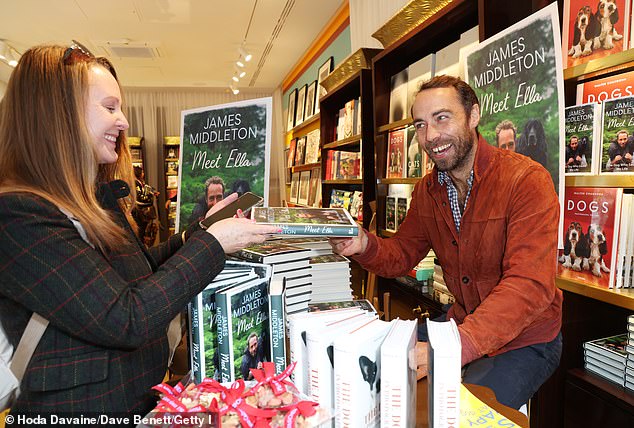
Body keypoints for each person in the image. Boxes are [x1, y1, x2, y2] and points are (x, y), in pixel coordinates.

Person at [0, 43, 279, 417]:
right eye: (109, 107)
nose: (124, 122)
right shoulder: (20, 215)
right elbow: (126, 316)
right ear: (59, 115)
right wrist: (214, 243)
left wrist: (204, 227)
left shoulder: (88, 200)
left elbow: (139, 273)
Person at [330, 75, 562, 410]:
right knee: (372, 361)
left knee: (457, 412)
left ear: (473, 116)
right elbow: (401, 255)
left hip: (527, 339)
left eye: (442, 118)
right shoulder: (428, 190)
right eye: (420, 125)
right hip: (463, 323)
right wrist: (363, 244)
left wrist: (450, 347)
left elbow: (528, 286)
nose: (430, 136)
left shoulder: (526, 180)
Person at [132, 166, 159, 245]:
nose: (143, 174)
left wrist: (152, 192)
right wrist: (150, 196)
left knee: (144, 231)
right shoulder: (136, 183)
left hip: (142, 212)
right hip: (141, 212)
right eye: (142, 172)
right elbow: (141, 198)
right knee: (141, 232)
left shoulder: (140, 182)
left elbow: (149, 189)